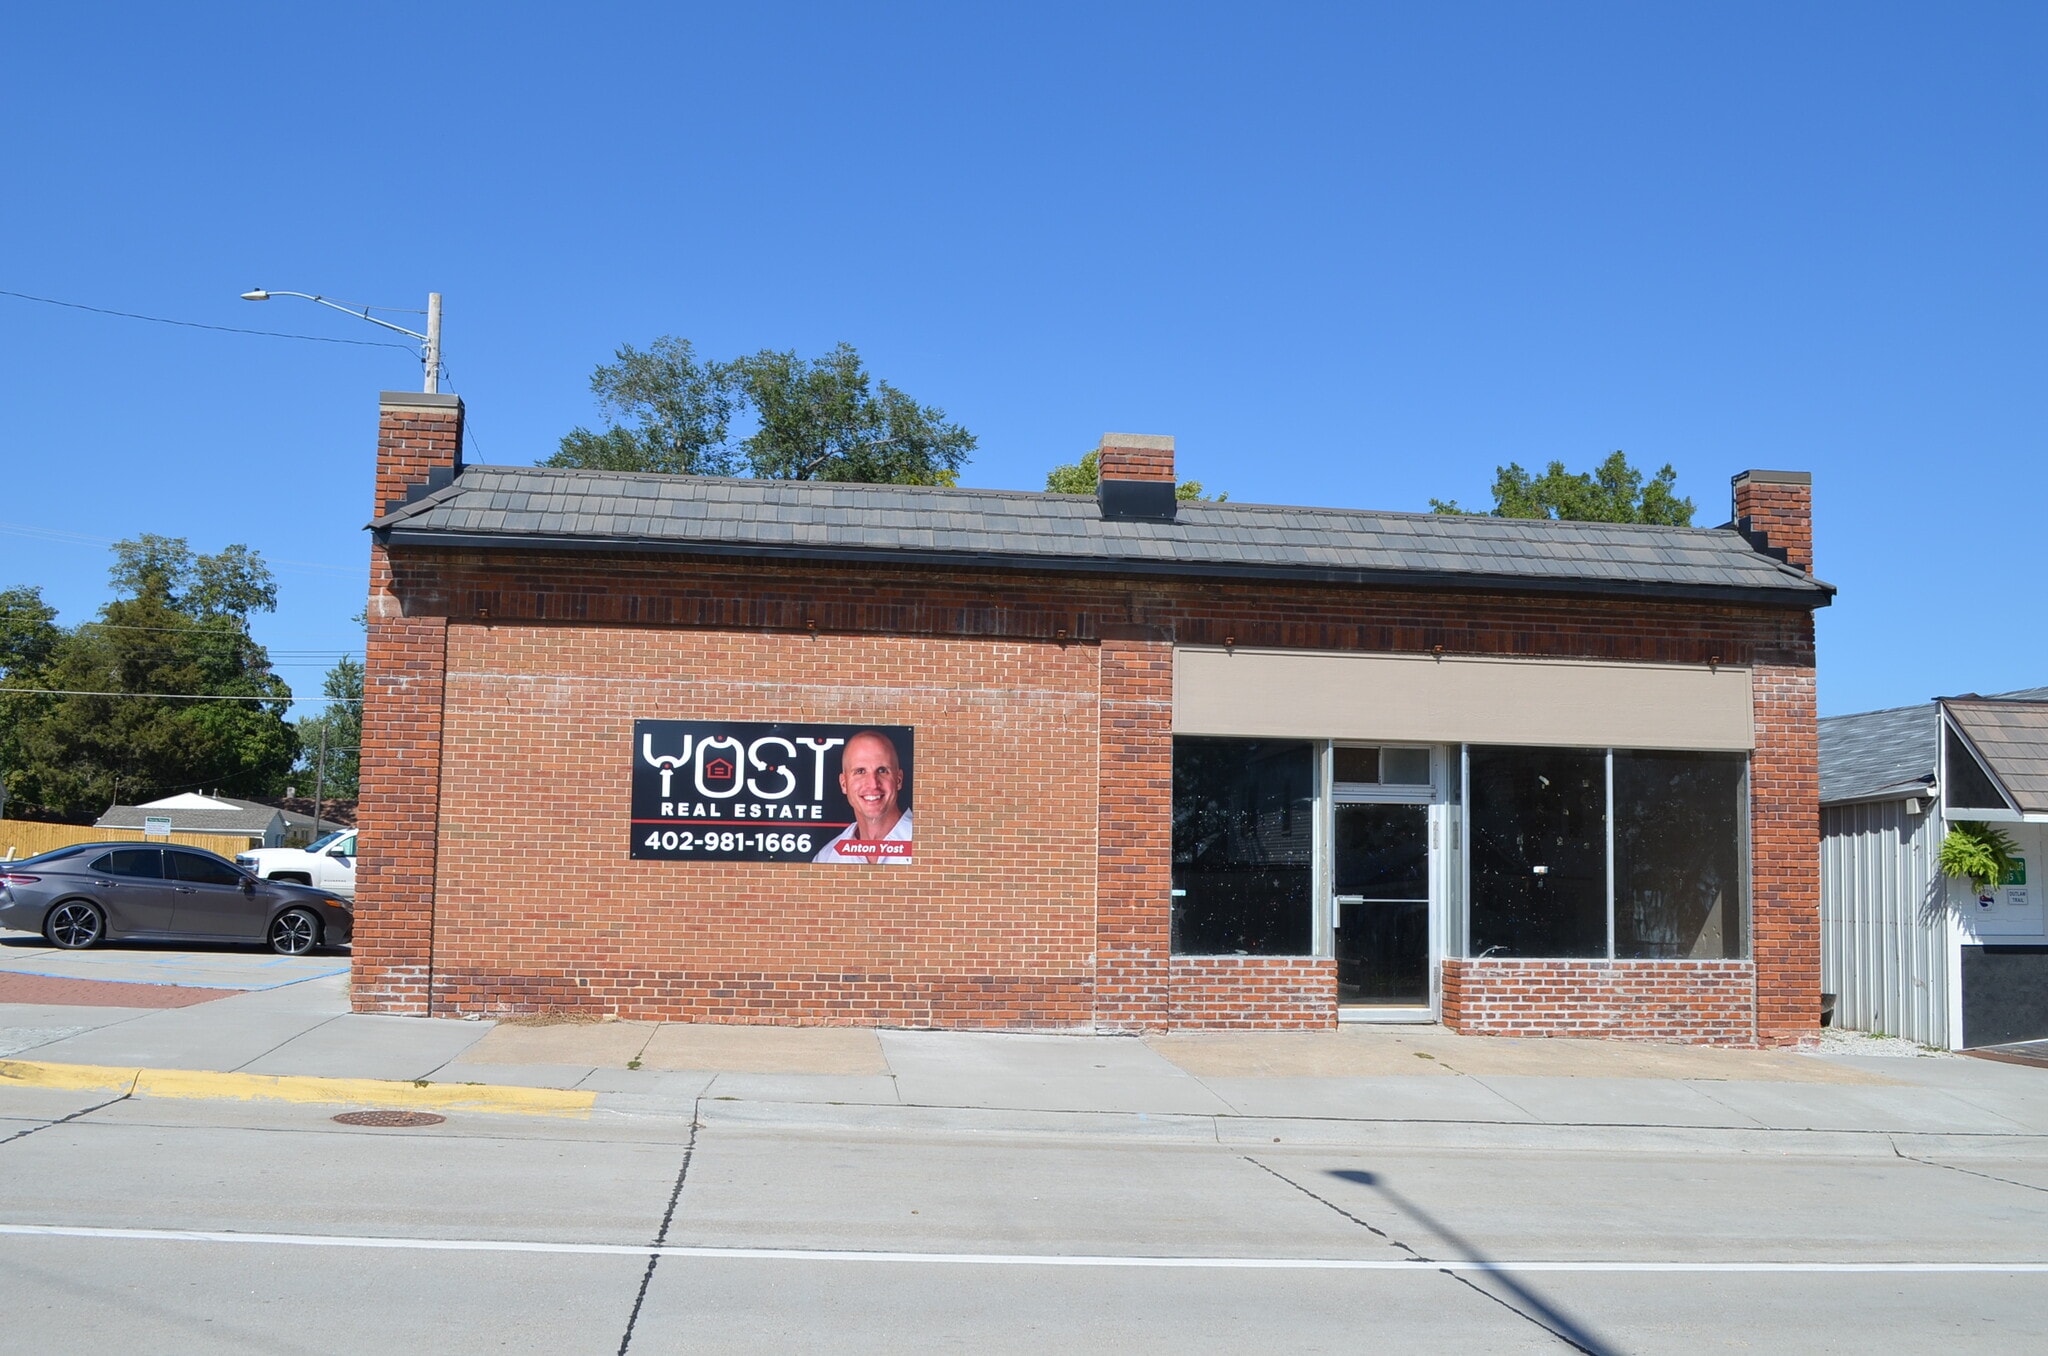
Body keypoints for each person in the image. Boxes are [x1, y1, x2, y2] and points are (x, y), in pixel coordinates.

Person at [813, 729, 913, 864]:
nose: (873, 784)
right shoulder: (827, 858)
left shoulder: (932, 845)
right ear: (844, 784)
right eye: (860, 771)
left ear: (898, 780)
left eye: (882, 770)